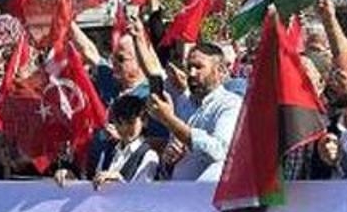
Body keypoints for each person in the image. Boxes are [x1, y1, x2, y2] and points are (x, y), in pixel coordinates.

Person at [147, 42, 241, 181]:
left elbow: (220, 152)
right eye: (189, 67)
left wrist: (170, 120)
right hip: (179, 195)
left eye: (198, 67)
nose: (191, 73)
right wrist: (169, 160)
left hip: (206, 197)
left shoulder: (230, 104)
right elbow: (173, 161)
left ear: (220, 70)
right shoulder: (184, 104)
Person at [89, 95, 159, 186]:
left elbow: (142, 192)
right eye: (119, 123)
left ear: (144, 121)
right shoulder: (107, 153)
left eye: (130, 123)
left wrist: (119, 180)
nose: (124, 128)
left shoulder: (149, 155)